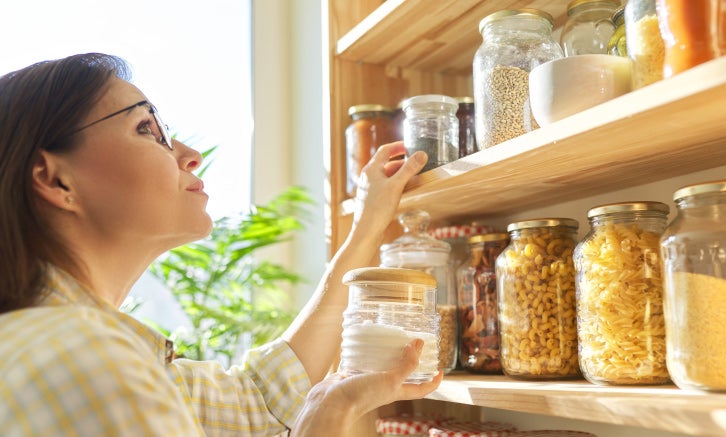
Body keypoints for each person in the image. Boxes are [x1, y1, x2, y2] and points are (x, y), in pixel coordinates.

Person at [0, 53, 441, 436]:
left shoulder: (82, 351)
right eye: (146, 129)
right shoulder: (83, 362)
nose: (189, 154)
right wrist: (327, 417)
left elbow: (259, 400)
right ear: (55, 179)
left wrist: (368, 222)